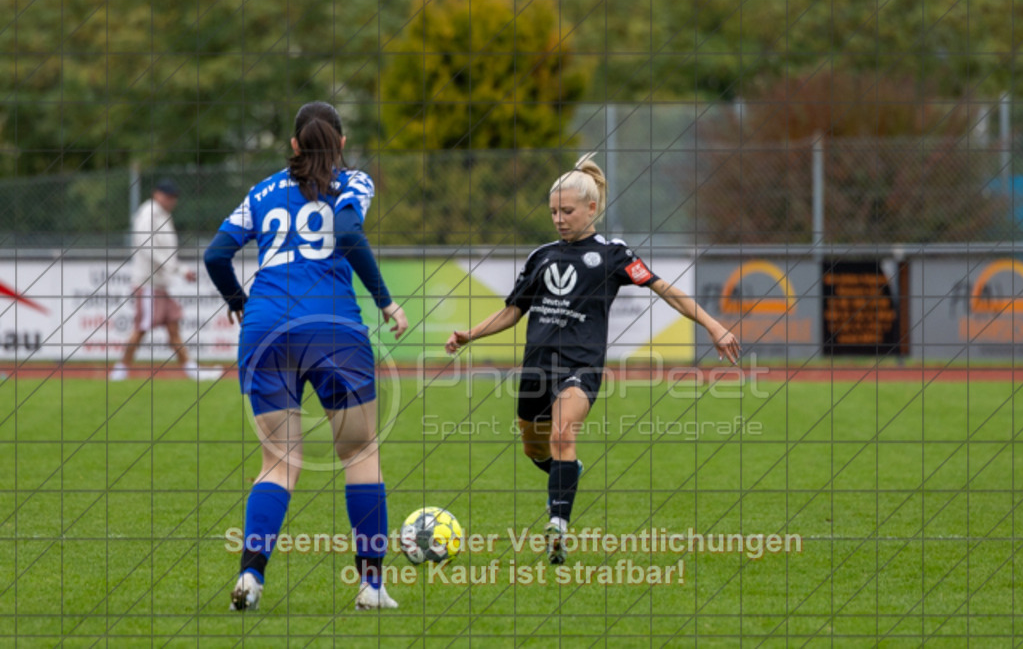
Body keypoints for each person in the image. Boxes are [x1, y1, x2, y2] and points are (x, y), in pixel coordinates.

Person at [445, 154, 741, 565]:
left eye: (567, 211)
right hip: (536, 367)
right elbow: (513, 310)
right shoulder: (541, 256)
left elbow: (666, 290)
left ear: (591, 207)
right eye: (553, 212)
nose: (559, 219)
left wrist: (713, 325)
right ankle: (568, 473)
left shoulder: (612, 254)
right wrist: (470, 334)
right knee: (535, 450)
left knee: (563, 434)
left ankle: (558, 527)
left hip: (581, 367)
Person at [203, 101, 408, 612]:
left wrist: (238, 300)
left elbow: (216, 254)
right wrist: (385, 300)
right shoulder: (353, 182)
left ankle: (250, 576)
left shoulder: (261, 191)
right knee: (360, 454)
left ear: (294, 145)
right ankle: (371, 586)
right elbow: (348, 232)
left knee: (278, 461)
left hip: (266, 329)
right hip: (333, 328)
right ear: (341, 143)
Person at [110, 178, 222, 382]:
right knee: (141, 328)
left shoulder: (163, 215)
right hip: (148, 283)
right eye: (168, 196)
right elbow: (147, 245)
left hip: (160, 284)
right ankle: (121, 369)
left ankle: (191, 369)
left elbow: (166, 251)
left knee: (173, 324)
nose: (172, 200)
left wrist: (178, 269)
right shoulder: (149, 214)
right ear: (157, 194)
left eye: (174, 197)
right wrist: (175, 268)